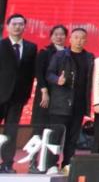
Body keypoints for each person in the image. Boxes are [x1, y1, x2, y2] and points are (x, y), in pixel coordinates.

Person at [45, 27, 93, 171]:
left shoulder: (89, 57)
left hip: (79, 103)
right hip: (61, 103)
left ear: (86, 40)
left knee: (73, 138)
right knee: (56, 136)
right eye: (76, 37)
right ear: (70, 39)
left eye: (82, 38)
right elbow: (49, 74)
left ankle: (67, 164)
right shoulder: (60, 55)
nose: (79, 40)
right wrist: (57, 80)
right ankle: (51, 164)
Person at [30, 25, 65, 169]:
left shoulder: (68, 53)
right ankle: (32, 161)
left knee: (54, 131)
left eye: (62, 34)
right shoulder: (44, 52)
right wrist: (44, 91)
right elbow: (39, 73)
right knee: (39, 129)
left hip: (60, 98)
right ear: (51, 36)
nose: (59, 37)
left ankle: (49, 163)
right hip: (44, 95)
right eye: (56, 34)